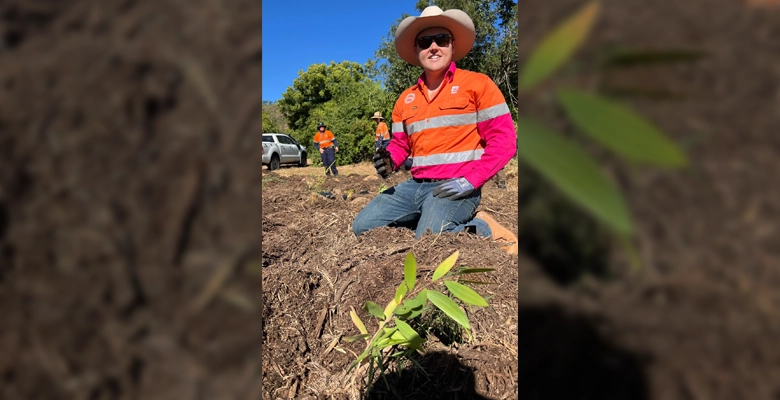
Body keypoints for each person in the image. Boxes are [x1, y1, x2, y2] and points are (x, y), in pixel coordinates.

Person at [352, 6, 518, 254]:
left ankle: (484, 228)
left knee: (428, 242)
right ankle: (433, 220)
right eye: (425, 41)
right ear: (416, 49)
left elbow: (504, 141)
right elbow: (400, 144)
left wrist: (471, 181)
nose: (433, 47)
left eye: (441, 39)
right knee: (363, 226)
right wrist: (390, 159)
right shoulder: (405, 99)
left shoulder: (478, 84)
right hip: (415, 185)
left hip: (458, 184)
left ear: (452, 45)